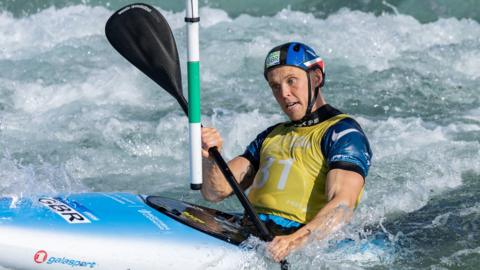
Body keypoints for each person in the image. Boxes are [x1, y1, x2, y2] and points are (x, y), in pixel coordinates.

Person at [201, 42, 372, 262]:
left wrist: (293, 241)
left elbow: (342, 206)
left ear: (316, 78)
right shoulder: (271, 135)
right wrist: (209, 156)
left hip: (298, 244)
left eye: (292, 81)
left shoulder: (343, 132)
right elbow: (215, 192)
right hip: (251, 234)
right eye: (275, 86)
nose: (284, 94)